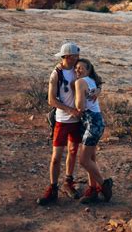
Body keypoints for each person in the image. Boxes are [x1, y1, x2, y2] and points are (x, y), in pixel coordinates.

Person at [37, 42, 83, 205]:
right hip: (63, 120)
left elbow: (95, 82)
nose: (78, 57)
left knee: (72, 151)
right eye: (76, 55)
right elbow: (51, 100)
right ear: (69, 56)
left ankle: (68, 182)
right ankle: (53, 187)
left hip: (77, 121)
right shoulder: (56, 73)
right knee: (56, 157)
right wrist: (70, 110)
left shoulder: (80, 68)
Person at [74, 58, 113, 203]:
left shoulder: (79, 82)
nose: (78, 70)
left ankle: (104, 185)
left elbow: (80, 107)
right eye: (76, 67)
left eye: (81, 68)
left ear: (88, 70)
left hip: (91, 123)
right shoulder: (91, 80)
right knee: (91, 158)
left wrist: (78, 97)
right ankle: (93, 191)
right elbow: (97, 88)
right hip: (97, 121)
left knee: (84, 160)